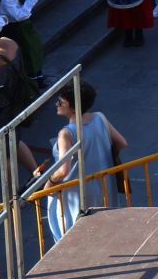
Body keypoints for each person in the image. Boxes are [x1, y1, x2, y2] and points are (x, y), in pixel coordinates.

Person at [44, 80, 127, 243]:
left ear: (72, 106)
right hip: (103, 184)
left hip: (76, 190)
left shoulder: (66, 134)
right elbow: (122, 142)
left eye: (61, 101)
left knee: (73, 233)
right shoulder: (100, 118)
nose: (57, 104)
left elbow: (63, 170)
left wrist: (48, 184)